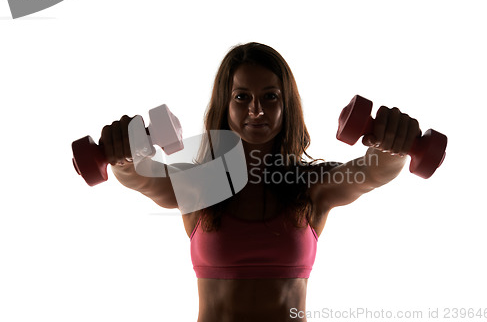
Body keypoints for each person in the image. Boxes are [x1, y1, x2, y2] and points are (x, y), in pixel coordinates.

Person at [99, 42, 421, 322]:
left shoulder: (311, 187)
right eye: (241, 97)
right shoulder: (199, 187)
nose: (256, 110)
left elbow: (371, 172)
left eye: (270, 97)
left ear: (286, 106)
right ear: (225, 106)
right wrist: (124, 154)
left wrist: (393, 146)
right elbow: (141, 177)